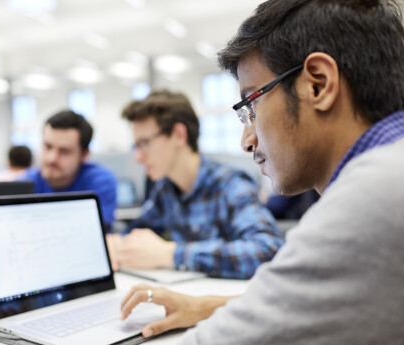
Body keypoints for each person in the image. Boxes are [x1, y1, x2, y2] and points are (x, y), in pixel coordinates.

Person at [119, 0, 404, 343]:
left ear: (318, 84)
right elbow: (307, 301)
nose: (247, 140)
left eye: (251, 105)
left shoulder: (372, 196)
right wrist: (211, 305)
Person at [106, 89, 283, 279]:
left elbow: (268, 251)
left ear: (178, 135)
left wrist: (171, 254)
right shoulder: (166, 191)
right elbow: (135, 231)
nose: (137, 157)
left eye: (144, 143)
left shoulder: (230, 184)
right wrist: (117, 243)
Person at [25, 110, 117, 229]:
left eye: (64, 151)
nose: (52, 158)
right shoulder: (26, 184)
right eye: (47, 147)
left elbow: (93, 233)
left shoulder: (100, 181)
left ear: (84, 155)